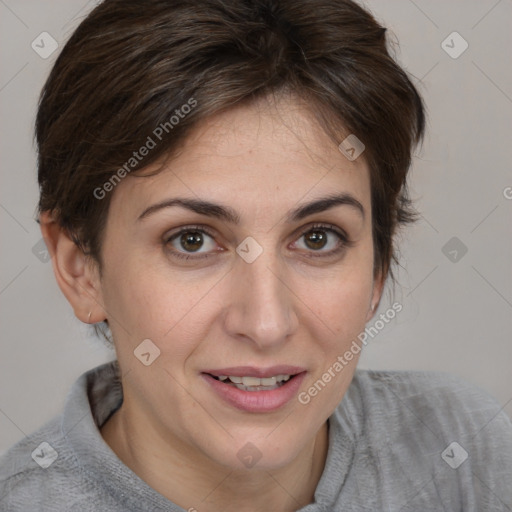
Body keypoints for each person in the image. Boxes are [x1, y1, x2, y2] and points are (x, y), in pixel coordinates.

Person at [1, 0, 511, 510]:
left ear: (378, 269)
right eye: (192, 240)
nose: (266, 324)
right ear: (81, 270)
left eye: (318, 238)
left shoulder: (464, 450)